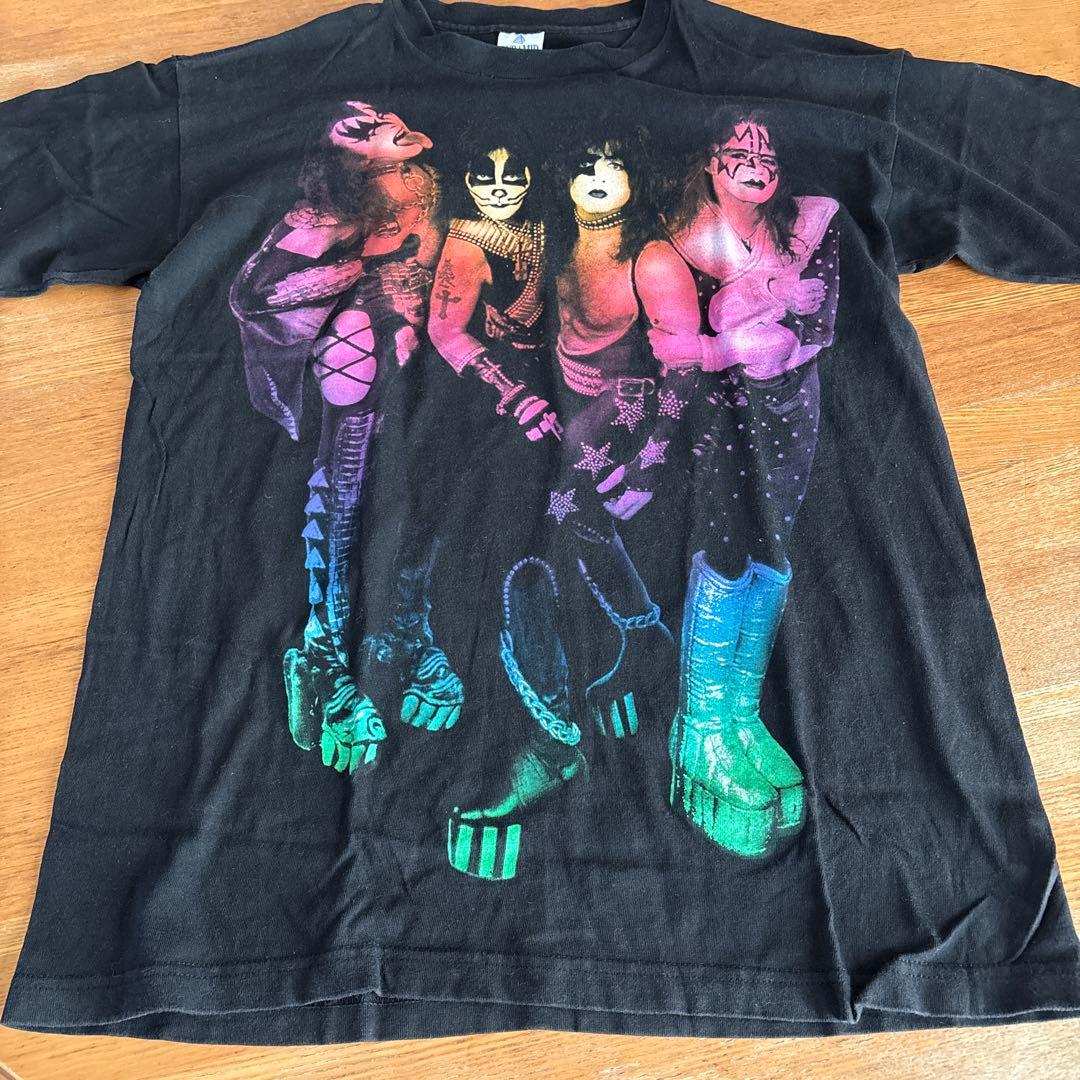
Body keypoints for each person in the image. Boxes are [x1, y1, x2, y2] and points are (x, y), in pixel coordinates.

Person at [229, 101, 464, 776]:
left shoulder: (429, 183)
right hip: (357, 380)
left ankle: (405, 631)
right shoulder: (327, 212)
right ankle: (325, 657)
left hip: (430, 380)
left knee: (424, 502)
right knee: (346, 505)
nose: (380, 122)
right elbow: (259, 294)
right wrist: (358, 288)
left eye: (378, 117)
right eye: (358, 128)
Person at [639, 110, 840, 857]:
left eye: (767, 154)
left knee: (771, 554)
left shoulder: (812, 226)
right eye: (738, 152)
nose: (755, 164)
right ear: (708, 161)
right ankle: (701, 729)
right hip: (711, 419)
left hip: (792, 408)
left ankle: (740, 717)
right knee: (725, 553)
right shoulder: (670, 245)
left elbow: (820, 326)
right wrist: (743, 341)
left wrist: (765, 336)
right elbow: (674, 351)